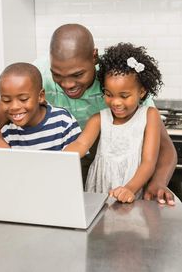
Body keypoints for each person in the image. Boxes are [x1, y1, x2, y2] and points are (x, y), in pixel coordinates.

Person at [0, 23, 177, 205]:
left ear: (94, 57)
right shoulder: (38, 74)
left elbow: (166, 150)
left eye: (78, 74)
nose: (68, 84)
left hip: (119, 171)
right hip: (63, 166)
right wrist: (16, 166)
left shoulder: (118, 78)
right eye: (57, 75)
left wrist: (158, 182)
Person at [64, 43, 164, 203]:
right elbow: (81, 144)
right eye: (109, 94)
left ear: (142, 91)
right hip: (99, 192)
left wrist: (129, 189)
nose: (116, 102)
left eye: (124, 96)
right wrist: (61, 157)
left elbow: (148, 162)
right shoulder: (98, 119)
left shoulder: (150, 115)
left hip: (132, 189)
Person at [0, 62, 81, 150]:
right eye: (6, 100)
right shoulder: (6, 131)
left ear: (40, 96)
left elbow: (77, 160)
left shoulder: (63, 121)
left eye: (23, 99)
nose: (14, 107)